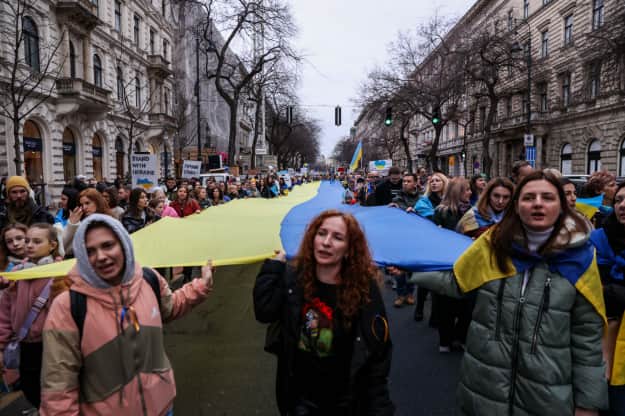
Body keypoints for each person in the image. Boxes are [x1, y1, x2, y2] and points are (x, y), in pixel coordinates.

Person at [411, 170, 608, 415]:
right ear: (516, 206)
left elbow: (587, 338)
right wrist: (409, 268)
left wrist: (588, 403)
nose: (537, 203)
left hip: (548, 396)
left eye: (547, 197)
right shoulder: (493, 245)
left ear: (562, 205)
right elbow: (456, 282)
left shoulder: (582, 258)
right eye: (528, 197)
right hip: (485, 387)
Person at [39, 214, 215, 415]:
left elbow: (169, 307)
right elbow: (58, 388)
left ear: (123, 244)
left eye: (108, 245)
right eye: (90, 251)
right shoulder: (68, 306)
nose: (101, 256)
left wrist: (201, 286)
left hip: (163, 408)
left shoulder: (149, 279)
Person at [253, 210, 394, 415]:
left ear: (348, 250)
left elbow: (377, 355)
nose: (326, 242)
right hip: (298, 398)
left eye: (337, 237)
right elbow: (264, 311)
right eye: (321, 233)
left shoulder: (364, 290)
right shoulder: (294, 279)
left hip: (345, 400)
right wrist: (273, 268)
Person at [0, 223, 67, 407]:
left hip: (51, 346)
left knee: (54, 391)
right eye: (28, 240)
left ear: (52, 245)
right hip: (25, 345)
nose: (29, 245)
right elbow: (5, 313)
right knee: (30, 388)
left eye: (37, 241)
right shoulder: (16, 274)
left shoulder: (59, 273)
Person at [590, 181, 625, 415]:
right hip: (607, 331)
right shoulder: (597, 239)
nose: (623, 205)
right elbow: (593, 288)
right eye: (619, 200)